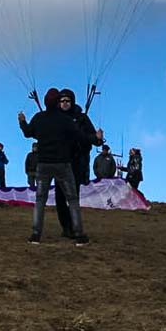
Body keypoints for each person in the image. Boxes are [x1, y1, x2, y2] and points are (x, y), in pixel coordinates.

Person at [18, 87, 89, 245]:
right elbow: (79, 136)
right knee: (72, 199)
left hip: (43, 165)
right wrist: (95, 138)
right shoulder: (66, 120)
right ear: (58, 103)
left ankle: (36, 235)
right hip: (63, 165)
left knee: (40, 200)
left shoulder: (39, 118)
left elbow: (28, 132)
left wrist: (22, 121)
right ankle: (79, 236)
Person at [55, 87, 103, 238]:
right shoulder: (55, 118)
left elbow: (93, 138)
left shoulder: (81, 118)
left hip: (76, 162)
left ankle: (75, 227)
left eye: (67, 100)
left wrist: (97, 139)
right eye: (62, 100)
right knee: (60, 197)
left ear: (72, 102)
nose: (64, 103)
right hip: (60, 162)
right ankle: (66, 227)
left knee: (72, 196)